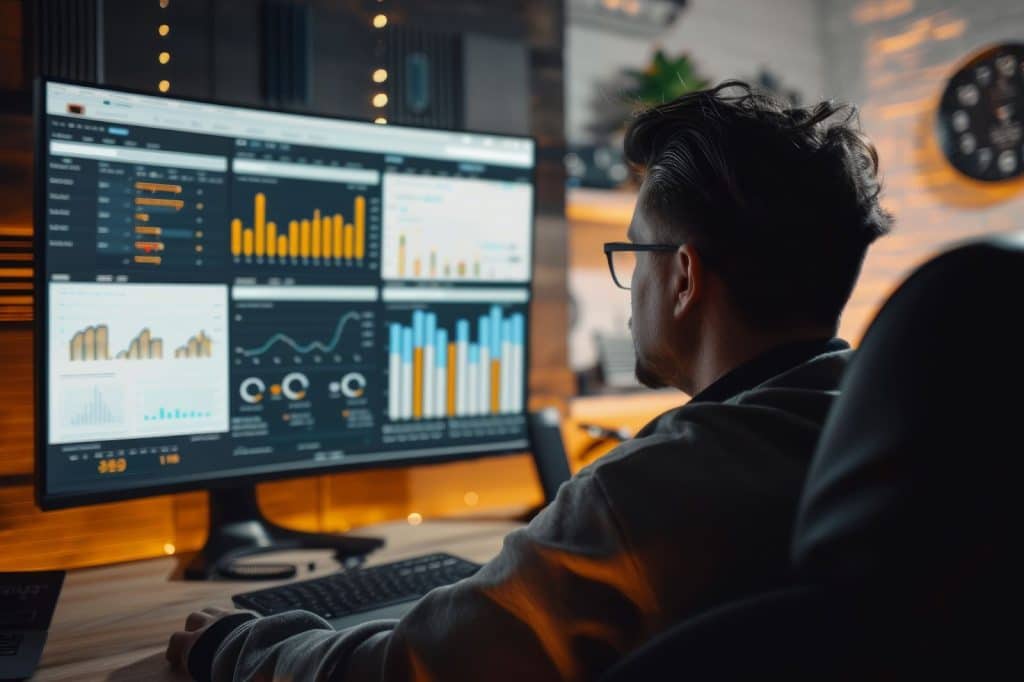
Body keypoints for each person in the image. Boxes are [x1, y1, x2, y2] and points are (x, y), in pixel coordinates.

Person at [167, 81, 892, 682]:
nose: (628, 280)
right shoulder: (886, 432)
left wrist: (232, 645)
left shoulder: (645, 495)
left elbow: (402, 672)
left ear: (681, 277)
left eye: (632, 251)